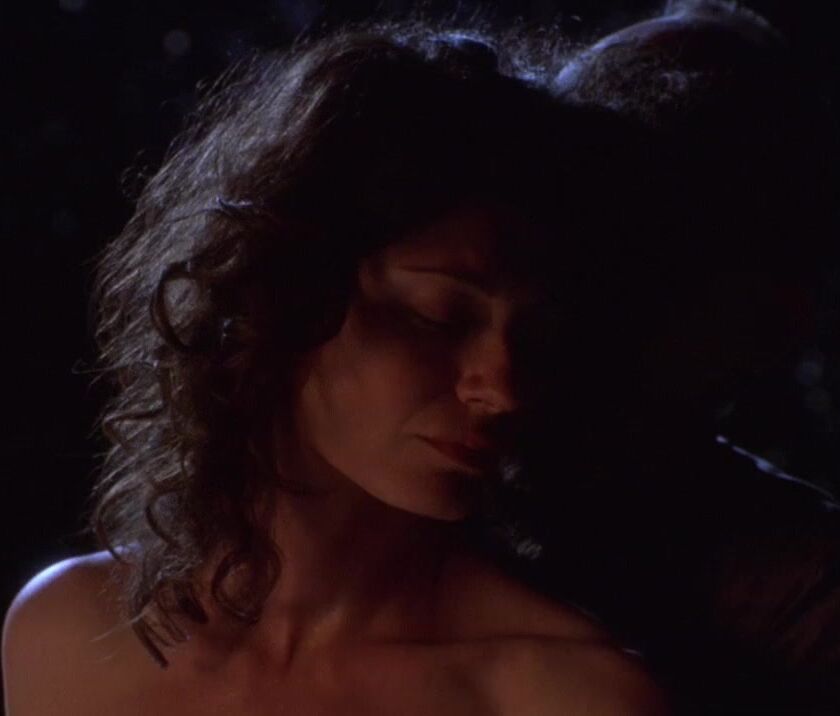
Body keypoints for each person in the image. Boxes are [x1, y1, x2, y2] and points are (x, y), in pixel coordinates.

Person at [0, 24, 670, 715]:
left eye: (537, 338)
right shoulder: (71, 635)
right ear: (279, 293)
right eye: (440, 317)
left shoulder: (559, 694)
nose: (501, 389)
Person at [529, 2, 840, 713]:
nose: (585, 291)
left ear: (773, 318)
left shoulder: (828, 607)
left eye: (664, 252)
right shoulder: (413, 492)